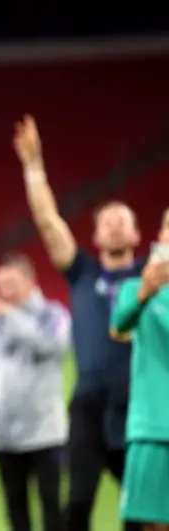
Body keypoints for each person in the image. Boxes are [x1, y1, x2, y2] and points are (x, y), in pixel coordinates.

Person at [14, 114, 143, 531]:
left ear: (137, 235)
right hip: (88, 404)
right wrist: (34, 167)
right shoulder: (82, 272)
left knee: (142, 509)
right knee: (78, 505)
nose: (115, 227)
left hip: (140, 405)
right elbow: (49, 222)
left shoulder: (152, 277)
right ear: (96, 235)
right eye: (107, 222)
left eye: (122, 221)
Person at [0, 253, 71, 531]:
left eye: (11, 283)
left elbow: (52, 345)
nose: (5, 290)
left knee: (51, 504)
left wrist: (11, 315)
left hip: (46, 433)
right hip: (4, 434)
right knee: (15, 506)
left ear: (30, 281)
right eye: (1, 284)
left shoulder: (53, 314)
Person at [111, 210, 169, 531]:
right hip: (151, 428)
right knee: (152, 526)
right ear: (160, 236)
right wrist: (145, 293)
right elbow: (118, 325)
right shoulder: (134, 288)